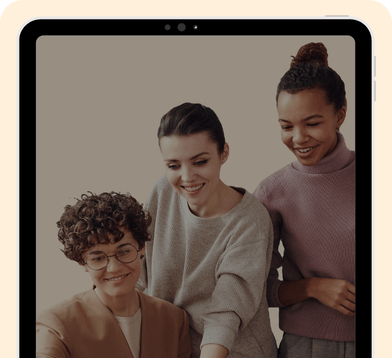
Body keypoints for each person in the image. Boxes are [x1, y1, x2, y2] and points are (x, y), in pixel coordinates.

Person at [137, 102, 278, 358]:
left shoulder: (249, 222)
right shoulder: (162, 193)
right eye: (173, 166)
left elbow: (227, 310)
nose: (187, 177)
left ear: (223, 153)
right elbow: (139, 275)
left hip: (232, 351)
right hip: (171, 349)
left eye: (199, 161)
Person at [253, 42, 355, 358]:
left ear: (340, 114)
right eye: (286, 126)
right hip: (307, 348)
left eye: (311, 123)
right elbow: (256, 290)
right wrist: (312, 287)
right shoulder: (272, 192)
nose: (298, 138)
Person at [36, 192, 192, 358]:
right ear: (82, 263)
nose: (114, 268)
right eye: (98, 258)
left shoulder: (174, 320)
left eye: (124, 251)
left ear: (142, 247)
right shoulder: (56, 323)